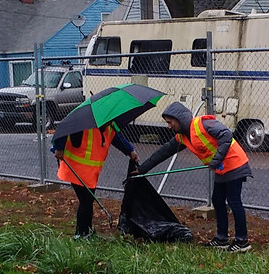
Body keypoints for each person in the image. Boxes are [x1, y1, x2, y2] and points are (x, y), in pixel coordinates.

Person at [137, 102, 253, 252]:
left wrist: (216, 160)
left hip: (235, 164)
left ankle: (242, 241)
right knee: (217, 200)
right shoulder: (183, 137)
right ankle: (222, 238)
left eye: (170, 122)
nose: (169, 126)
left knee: (234, 201)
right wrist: (142, 169)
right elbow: (164, 152)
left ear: (179, 119)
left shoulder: (203, 124)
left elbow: (226, 134)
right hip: (222, 169)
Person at [53, 123, 139, 238]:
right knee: (86, 200)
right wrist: (59, 148)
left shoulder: (109, 126)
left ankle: (86, 231)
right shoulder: (82, 123)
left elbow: (117, 138)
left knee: (87, 200)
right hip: (76, 167)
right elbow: (65, 127)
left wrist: (130, 150)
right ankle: (81, 233)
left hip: (90, 172)